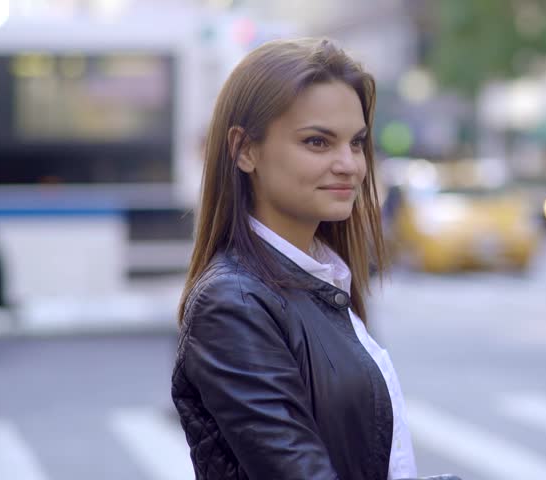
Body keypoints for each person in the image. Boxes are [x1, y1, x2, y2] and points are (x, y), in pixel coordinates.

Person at [172, 38, 419, 480]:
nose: (349, 164)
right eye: (318, 142)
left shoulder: (323, 279)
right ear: (245, 150)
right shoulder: (234, 303)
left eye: (357, 143)